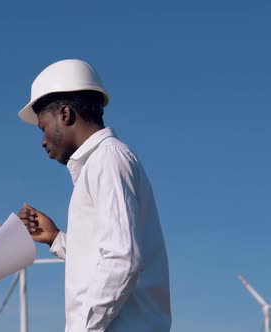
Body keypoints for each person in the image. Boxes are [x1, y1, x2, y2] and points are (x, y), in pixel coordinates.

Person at [16, 59, 171, 332]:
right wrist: (55, 239)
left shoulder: (107, 159)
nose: (42, 140)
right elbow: (104, 254)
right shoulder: (102, 163)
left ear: (64, 114)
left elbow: (122, 259)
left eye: (42, 127)